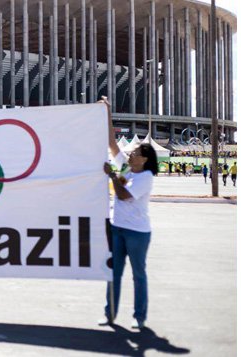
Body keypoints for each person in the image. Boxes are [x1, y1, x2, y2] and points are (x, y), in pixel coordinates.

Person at [100, 96, 157, 330]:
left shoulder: (145, 177)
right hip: (117, 227)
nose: (130, 154)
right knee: (113, 273)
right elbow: (112, 143)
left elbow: (124, 195)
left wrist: (112, 176)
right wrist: (107, 112)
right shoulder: (127, 167)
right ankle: (110, 314)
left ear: (144, 159)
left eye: (134, 152)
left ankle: (139, 317)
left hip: (136, 233)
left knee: (138, 275)